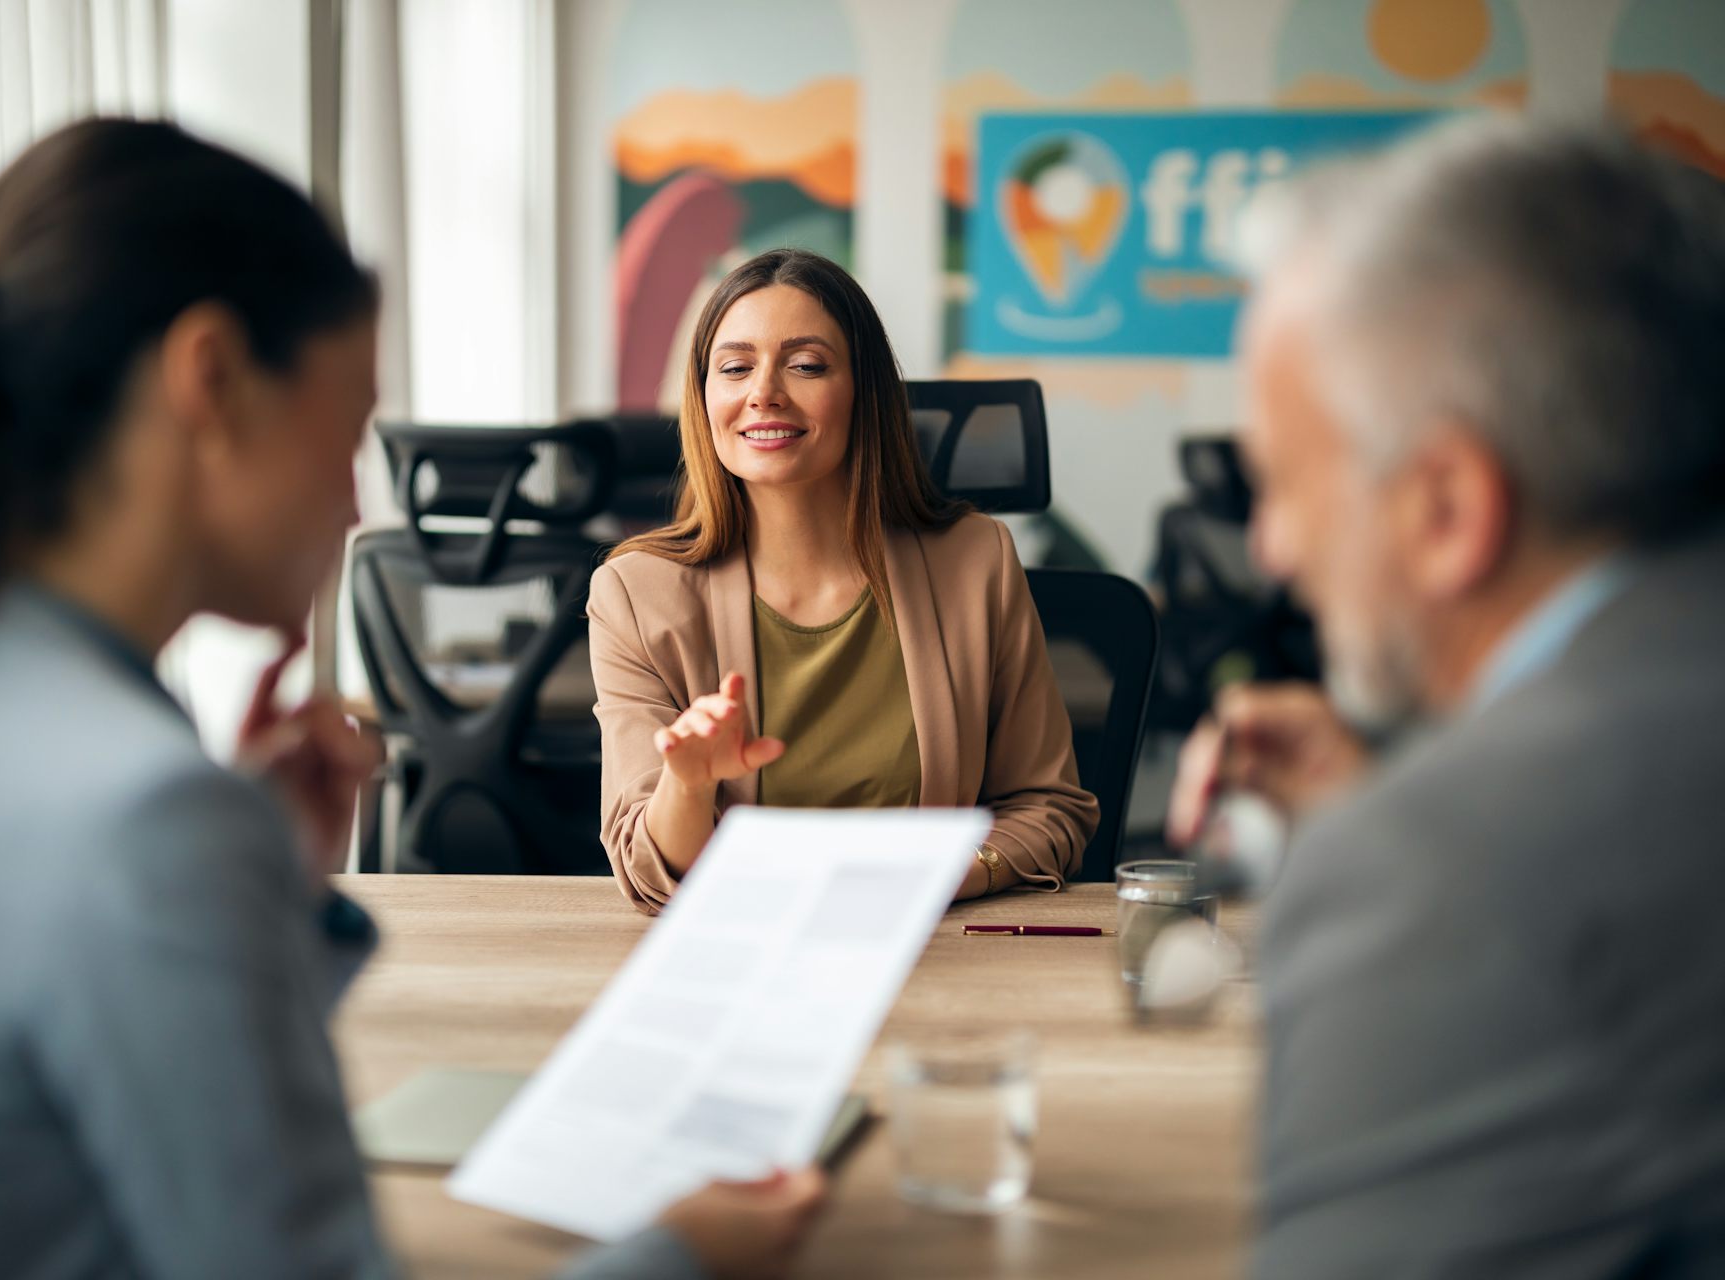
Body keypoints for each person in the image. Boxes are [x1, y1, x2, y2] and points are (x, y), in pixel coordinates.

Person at [0, 119, 823, 1280]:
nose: (353, 508)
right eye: (346, 434)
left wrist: (264, 893)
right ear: (213, 381)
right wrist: (685, 1251)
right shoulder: (144, 812)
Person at [1196, 116, 1725, 1277]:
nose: (1273, 551)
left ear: (1444, 508)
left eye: (1281, 484)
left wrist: (1413, 843)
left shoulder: (1437, 873)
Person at [589, 249, 1098, 914]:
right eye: (735, 367)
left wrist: (927, 883)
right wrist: (685, 786)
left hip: (933, 951)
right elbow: (649, 873)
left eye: (806, 365)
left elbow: (1048, 807)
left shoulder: (975, 561)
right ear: (704, 397)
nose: (763, 392)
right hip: (741, 946)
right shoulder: (636, 592)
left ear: (865, 393)